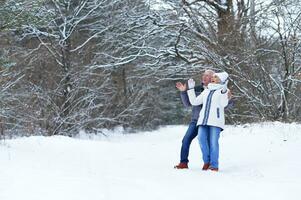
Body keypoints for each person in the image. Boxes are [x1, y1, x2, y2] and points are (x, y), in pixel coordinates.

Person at [187, 72, 230, 171]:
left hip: (216, 121)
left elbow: (223, 104)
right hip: (203, 120)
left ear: (221, 79)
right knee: (201, 139)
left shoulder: (224, 90)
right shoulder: (207, 90)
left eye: (216, 77)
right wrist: (191, 89)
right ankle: (207, 162)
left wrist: (224, 91)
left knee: (213, 142)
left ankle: (214, 165)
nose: (213, 78)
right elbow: (194, 102)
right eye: (213, 76)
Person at [174, 70, 215, 169]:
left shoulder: (215, 90)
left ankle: (209, 163)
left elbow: (225, 105)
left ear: (212, 78)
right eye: (203, 75)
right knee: (186, 140)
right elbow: (188, 104)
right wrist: (184, 92)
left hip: (209, 121)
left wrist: (229, 99)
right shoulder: (196, 89)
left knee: (207, 142)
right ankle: (183, 163)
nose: (204, 77)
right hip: (195, 120)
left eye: (207, 76)